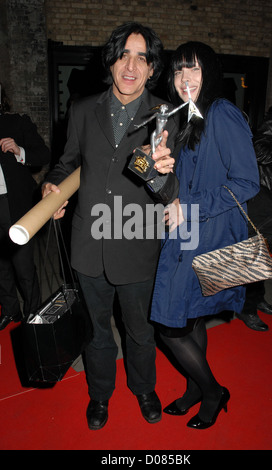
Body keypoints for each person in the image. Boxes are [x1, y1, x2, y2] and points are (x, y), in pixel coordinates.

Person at [42, 22, 178, 430]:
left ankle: (143, 388)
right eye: (124, 54)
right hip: (87, 245)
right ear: (112, 60)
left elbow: (171, 186)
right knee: (97, 331)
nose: (131, 65)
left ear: (152, 68)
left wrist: (159, 175)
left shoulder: (164, 115)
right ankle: (100, 395)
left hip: (137, 245)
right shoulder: (83, 109)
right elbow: (68, 162)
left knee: (139, 331)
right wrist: (54, 183)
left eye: (141, 57)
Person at [150, 41, 260, 429]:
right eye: (179, 71)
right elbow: (185, 177)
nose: (185, 79)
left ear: (208, 73)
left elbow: (248, 182)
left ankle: (212, 390)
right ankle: (197, 388)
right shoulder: (185, 116)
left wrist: (188, 207)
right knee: (191, 315)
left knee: (168, 324)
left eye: (193, 69)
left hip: (212, 233)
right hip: (186, 232)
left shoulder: (222, 113)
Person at [236, 77, 272, 332]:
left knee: (269, 257)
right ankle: (245, 308)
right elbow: (257, 150)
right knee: (257, 256)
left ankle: (257, 299)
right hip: (267, 197)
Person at [0, 84, 50, 331]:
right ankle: (11, 311)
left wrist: (19, 151)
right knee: (1, 266)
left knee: (23, 266)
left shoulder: (16, 122)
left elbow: (43, 154)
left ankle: (34, 314)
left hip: (14, 203)